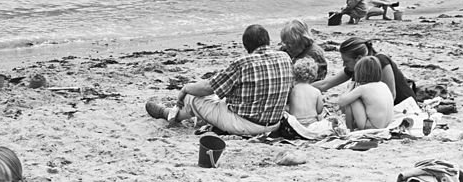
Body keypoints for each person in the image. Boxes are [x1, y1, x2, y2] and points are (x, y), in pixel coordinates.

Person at [145, 25, 293, 137]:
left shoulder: (243, 63)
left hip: (245, 124)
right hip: (274, 123)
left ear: (246, 46)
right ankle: (182, 115)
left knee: (194, 97)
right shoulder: (285, 58)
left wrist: (185, 89)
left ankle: (170, 114)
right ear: (268, 40)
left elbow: (208, 87)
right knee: (218, 98)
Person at [315, 37, 415, 105]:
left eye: (346, 61)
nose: (344, 65)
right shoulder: (355, 66)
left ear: (358, 58)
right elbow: (326, 83)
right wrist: (302, 88)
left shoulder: (381, 61)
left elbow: (391, 95)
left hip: (401, 106)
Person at [335, 56, 395, 130]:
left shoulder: (363, 88)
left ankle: (349, 128)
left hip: (372, 126)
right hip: (386, 125)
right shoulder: (383, 85)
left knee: (351, 100)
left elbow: (341, 102)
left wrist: (350, 87)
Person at [286, 58, 325, 126]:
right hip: (312, 124)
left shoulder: (292, 90)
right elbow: (319, 110)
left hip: (296, 124)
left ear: (295, 73)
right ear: (314, 74)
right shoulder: (316, 91)